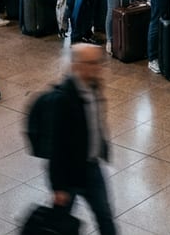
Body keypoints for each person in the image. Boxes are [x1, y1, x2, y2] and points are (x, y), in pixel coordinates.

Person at [46, 43, 117, 235]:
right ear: (76, 65)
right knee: (59, 225)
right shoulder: (63, 99)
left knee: (105, 218)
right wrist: (58, 187)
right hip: (70, 174)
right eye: (92, 63)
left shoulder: (94, 85)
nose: (98, 68)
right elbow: (56, 146)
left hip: (92, 167)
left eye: (99, 63)